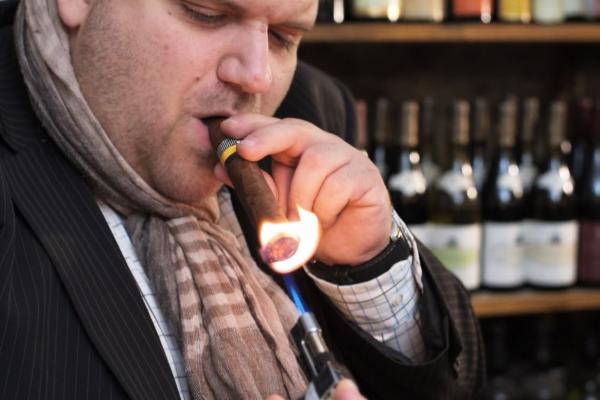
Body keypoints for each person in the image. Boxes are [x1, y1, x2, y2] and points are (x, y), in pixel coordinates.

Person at [0, 0, 485, 399]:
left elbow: (457, 387)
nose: (257, 77)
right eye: (206, 13)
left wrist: (368, 265)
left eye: (285, 37)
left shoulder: (312, 108)